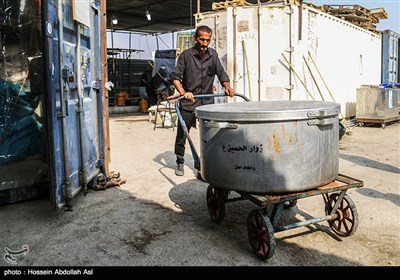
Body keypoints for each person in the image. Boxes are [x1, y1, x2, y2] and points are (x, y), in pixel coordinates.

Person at [171, 25, 235, 177]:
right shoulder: (186, 56)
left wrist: (227, 87)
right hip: (189, 102)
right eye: (202, 39)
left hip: (206, 103)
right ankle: (180, 160)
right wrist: (183, 92)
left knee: (209, 134)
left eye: (208, 40)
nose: (205, 43)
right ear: (195, 38)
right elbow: (175, 77)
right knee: (183, 133)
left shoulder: (213, 55)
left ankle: (204, 165)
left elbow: (222, 74)